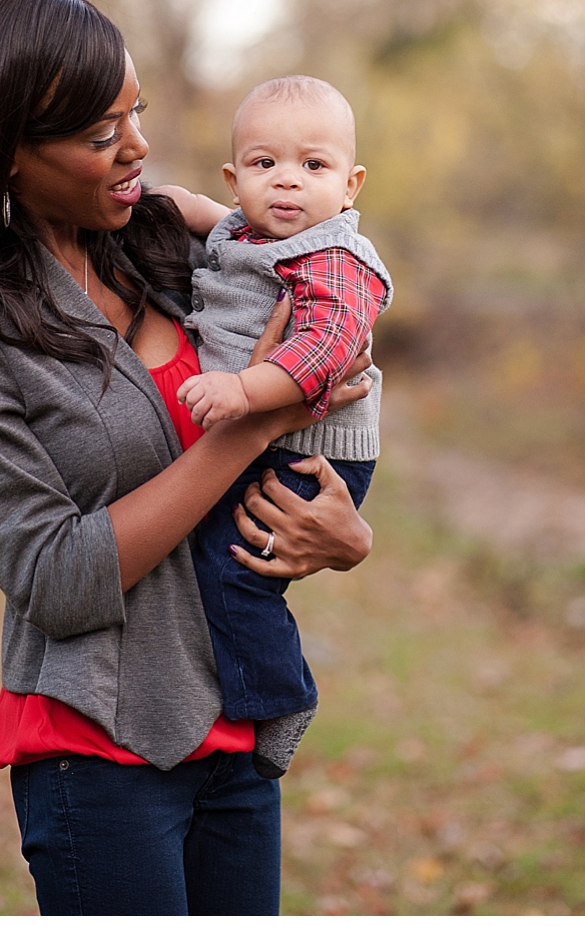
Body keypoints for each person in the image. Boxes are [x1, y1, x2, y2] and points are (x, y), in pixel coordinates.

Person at [0, 0, 374, 917]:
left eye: (134, 113)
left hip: (235, 728)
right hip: (99, 744)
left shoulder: (171, 247)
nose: (136, 148)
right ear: (5, 154)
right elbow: (54, 576)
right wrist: (251, 425)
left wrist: (342, 535)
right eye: (100, 135)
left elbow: (336, 301)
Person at [157, 76, 392, 781]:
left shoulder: (336, 261)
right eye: (264, 165)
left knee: (234, 575)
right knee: (212, 560)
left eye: (312, 166)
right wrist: (158, 200)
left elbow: (321, 355)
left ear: (350, 186)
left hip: (311, 452)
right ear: (236, 180)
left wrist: (241, 389)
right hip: (268, 433)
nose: (288, 182)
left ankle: (280, 697)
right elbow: (205, 217)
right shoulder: (246, 229)